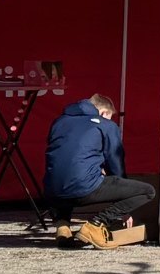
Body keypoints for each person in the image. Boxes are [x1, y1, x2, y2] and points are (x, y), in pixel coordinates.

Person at [45, 92, 154, 226]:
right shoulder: (106, 125)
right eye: (109, 117)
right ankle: (97, 223)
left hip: (52, 192)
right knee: (148, 191)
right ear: (103, 113)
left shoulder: (59, 122)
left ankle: (62, 225)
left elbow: (65, 155)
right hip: (82, 190)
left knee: (67, 177)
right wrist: (122, 208)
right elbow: (115, 163)